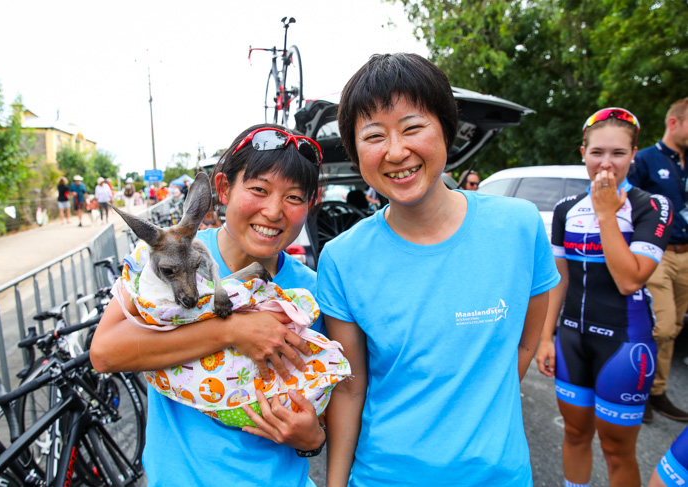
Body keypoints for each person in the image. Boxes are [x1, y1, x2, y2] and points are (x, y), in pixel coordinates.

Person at [317, 53, 560, 486]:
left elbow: (523, 347)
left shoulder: (519, 227)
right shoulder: (341, 258)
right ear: (357, 153)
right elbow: (351, 388)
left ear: (446, 129)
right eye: (374, 136)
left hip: (498, 476)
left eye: (412, 127)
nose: (396, 151)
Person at [90, 123, 328, 486]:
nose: (274, 210)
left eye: (294, 197)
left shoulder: (312, 293)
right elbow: (105, 353)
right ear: (222, 189)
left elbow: (323, 395)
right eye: (259, 189)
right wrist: (231, 329)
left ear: (311, 205)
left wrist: (313, 439)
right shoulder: (165, 256)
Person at [536, 107, 673, 487]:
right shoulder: (566, 209)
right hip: (572, 339)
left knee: (616, 451)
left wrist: (607, 213)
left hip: (625, 343)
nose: (606, 164)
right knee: (574, 435)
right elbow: (559, 280)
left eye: (618, 153)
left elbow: (630, 281)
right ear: (583, 152)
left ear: (634, 154)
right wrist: (546, 337)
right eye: (597, 152)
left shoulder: (652, 206)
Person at [628, 97, 688, 424]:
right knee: (660, 324)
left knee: (675, 326)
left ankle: (657, 392)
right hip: (657, 254)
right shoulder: (646, 161)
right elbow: (629, 206)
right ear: (674, 122)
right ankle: (639, 387)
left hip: (686, 254)